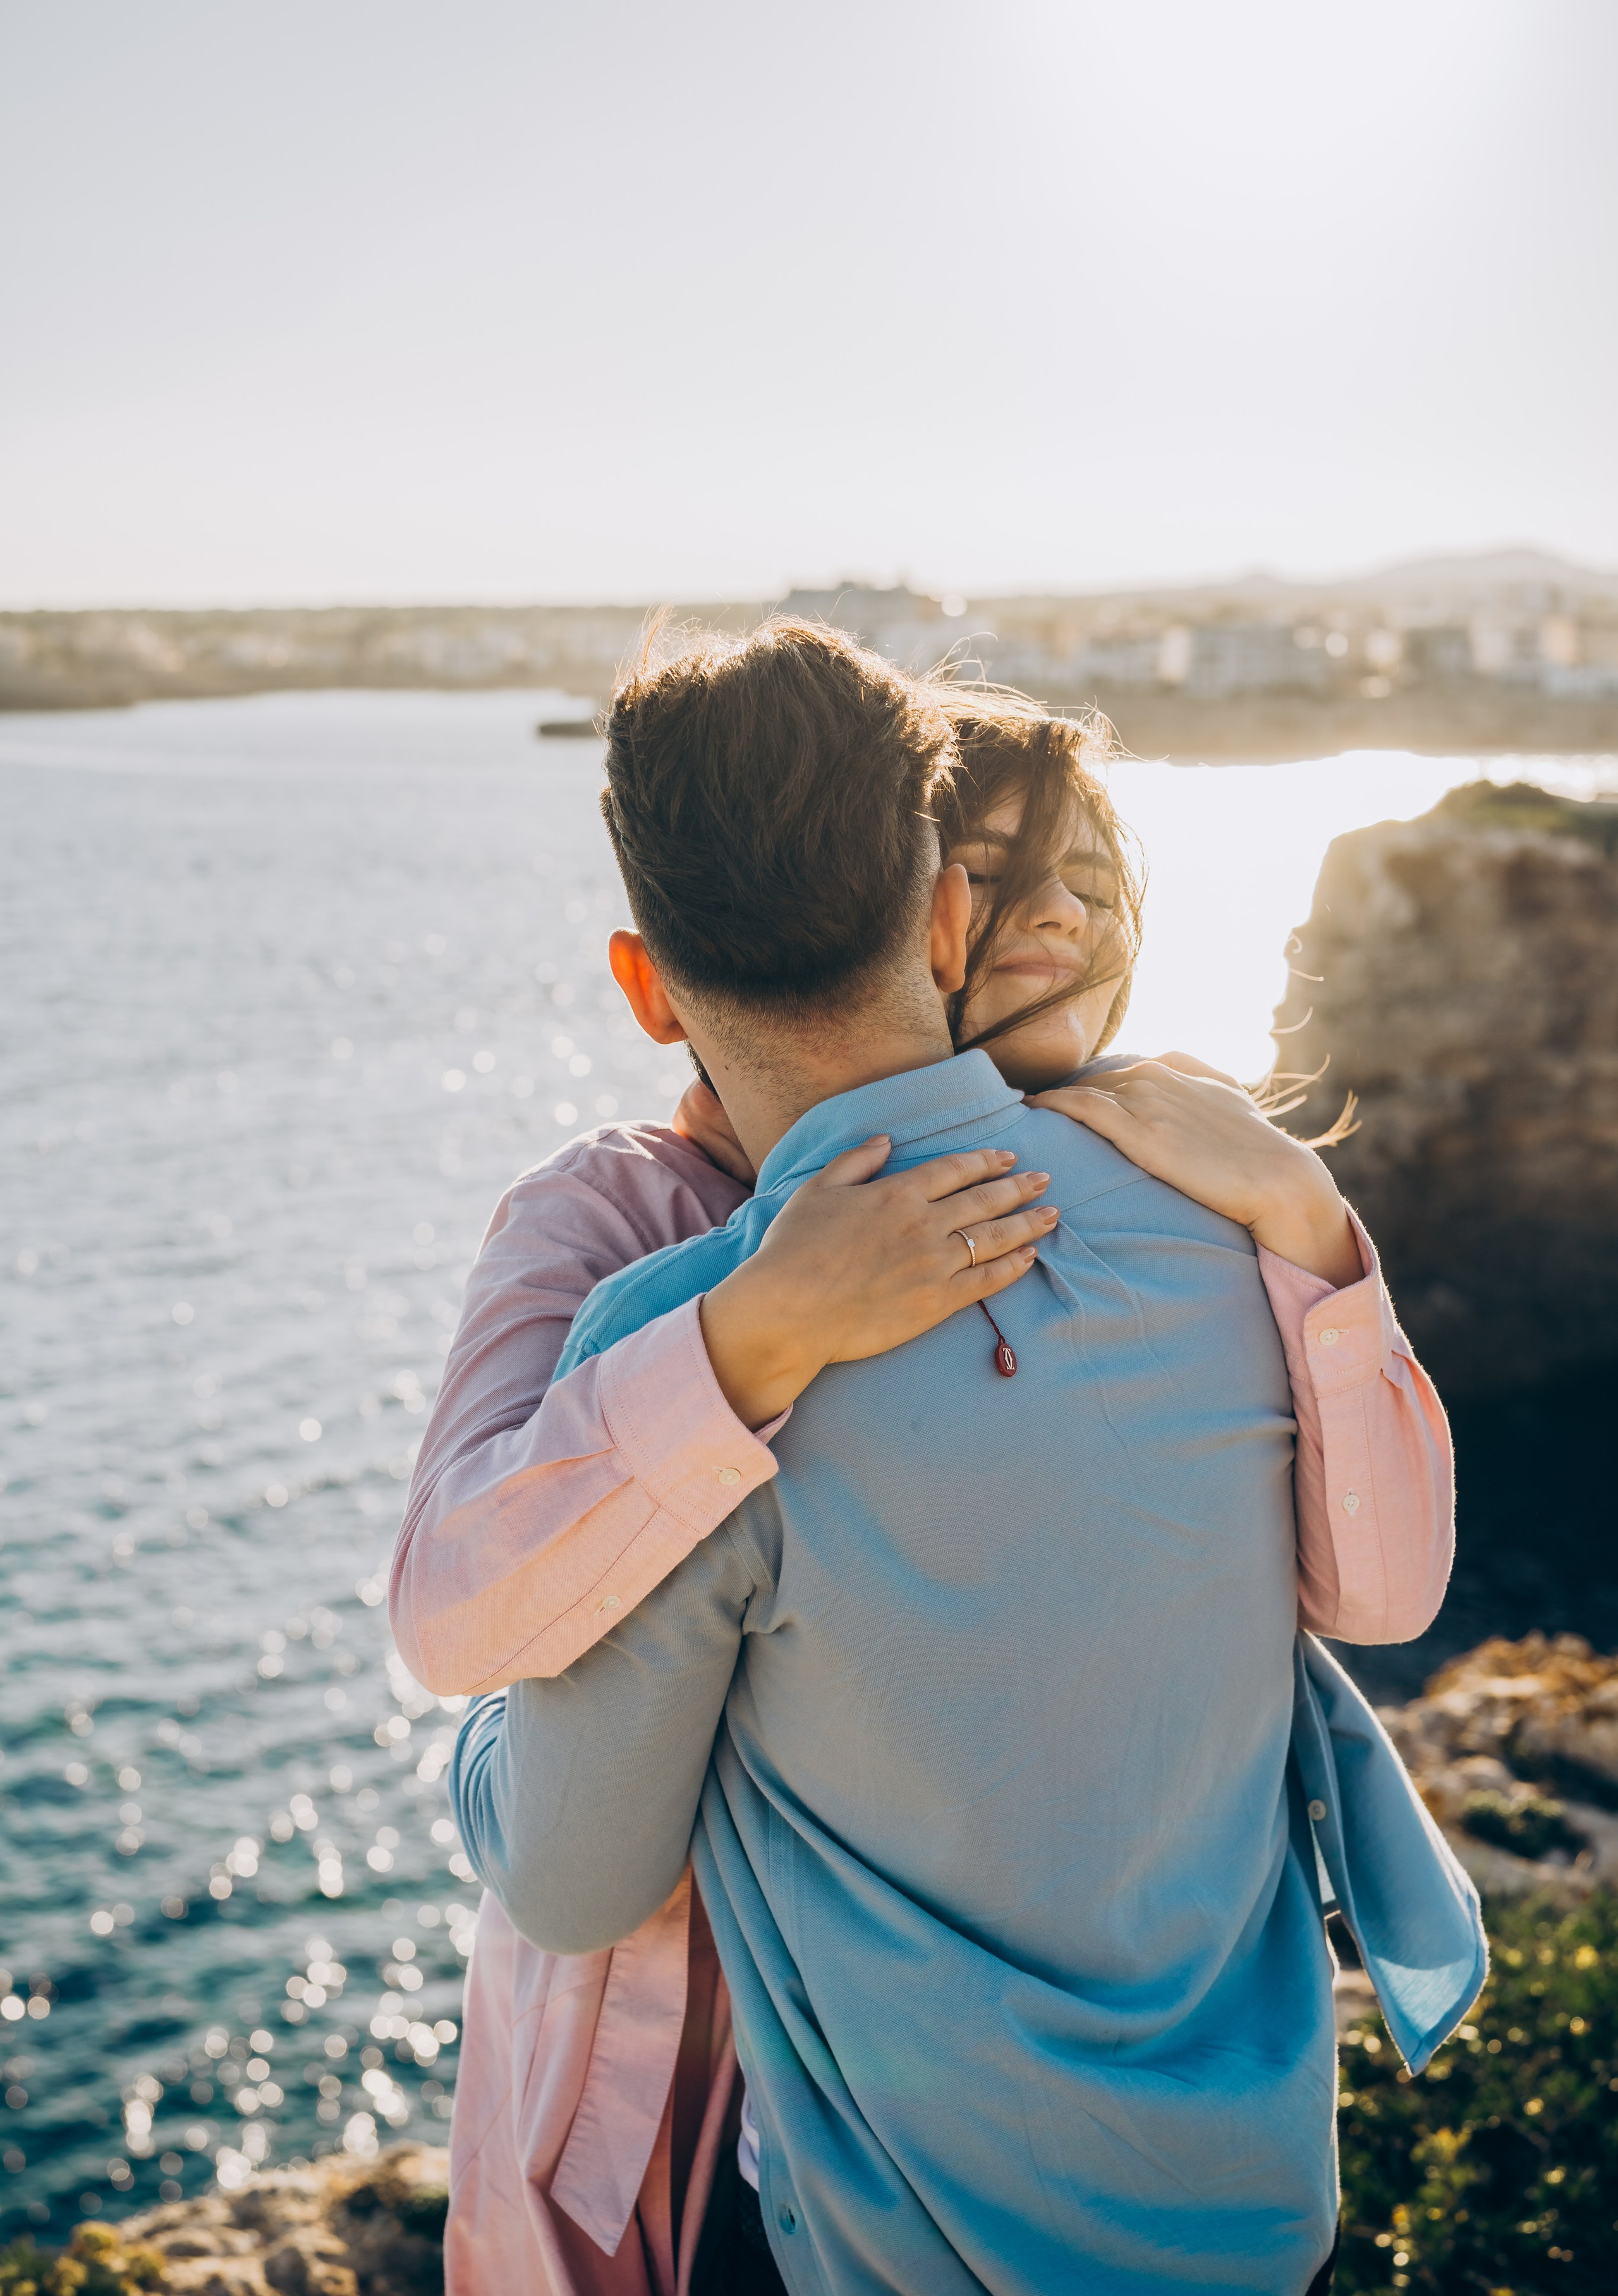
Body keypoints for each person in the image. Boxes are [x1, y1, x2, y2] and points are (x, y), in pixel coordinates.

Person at [391, 626, 1471, 2295]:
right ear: (940, 917)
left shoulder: (653, 1323)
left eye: (1089, 884)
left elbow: (567, 1855)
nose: (1052, 925)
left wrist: (520, 1711)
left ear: (646, 981)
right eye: (1006, 880)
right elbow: (1367, 1591)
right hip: (1243, 2210)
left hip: (884, 2221)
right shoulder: (1190, 1242)